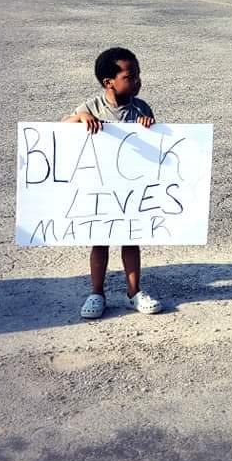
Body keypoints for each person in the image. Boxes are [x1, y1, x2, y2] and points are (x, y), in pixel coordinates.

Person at [64, 46, 163, 320]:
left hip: (130, 190)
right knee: (100, 241)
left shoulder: (141, 107)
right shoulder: (92, 107)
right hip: (100, 190)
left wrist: (149, 125)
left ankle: (134, 292)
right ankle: (97, 293)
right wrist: (80, 118)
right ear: (109, 82)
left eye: (138, 74)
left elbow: (157, 143)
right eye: (130, 76)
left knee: (131, 240)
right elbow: (59, 130)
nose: (138, 81)